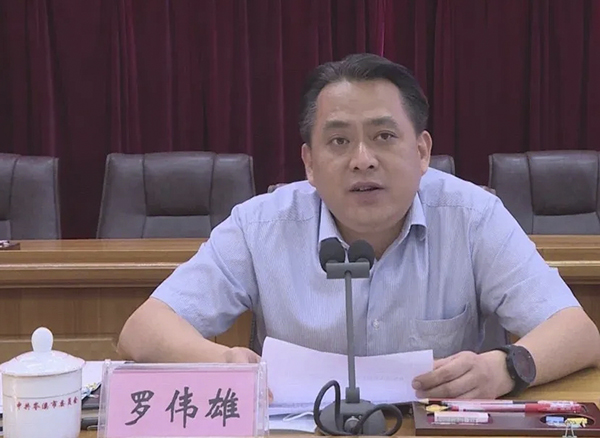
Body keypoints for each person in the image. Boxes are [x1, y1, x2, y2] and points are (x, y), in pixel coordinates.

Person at [117, 53, 600, 399]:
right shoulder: (260, 225)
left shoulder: (473, 217)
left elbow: (578, 332)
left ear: (422, 152)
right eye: (339, 141)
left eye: (384, 136)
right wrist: (223, 363)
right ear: (309, 163)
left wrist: (505, 368)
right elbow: (142, 331)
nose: (362, 160)